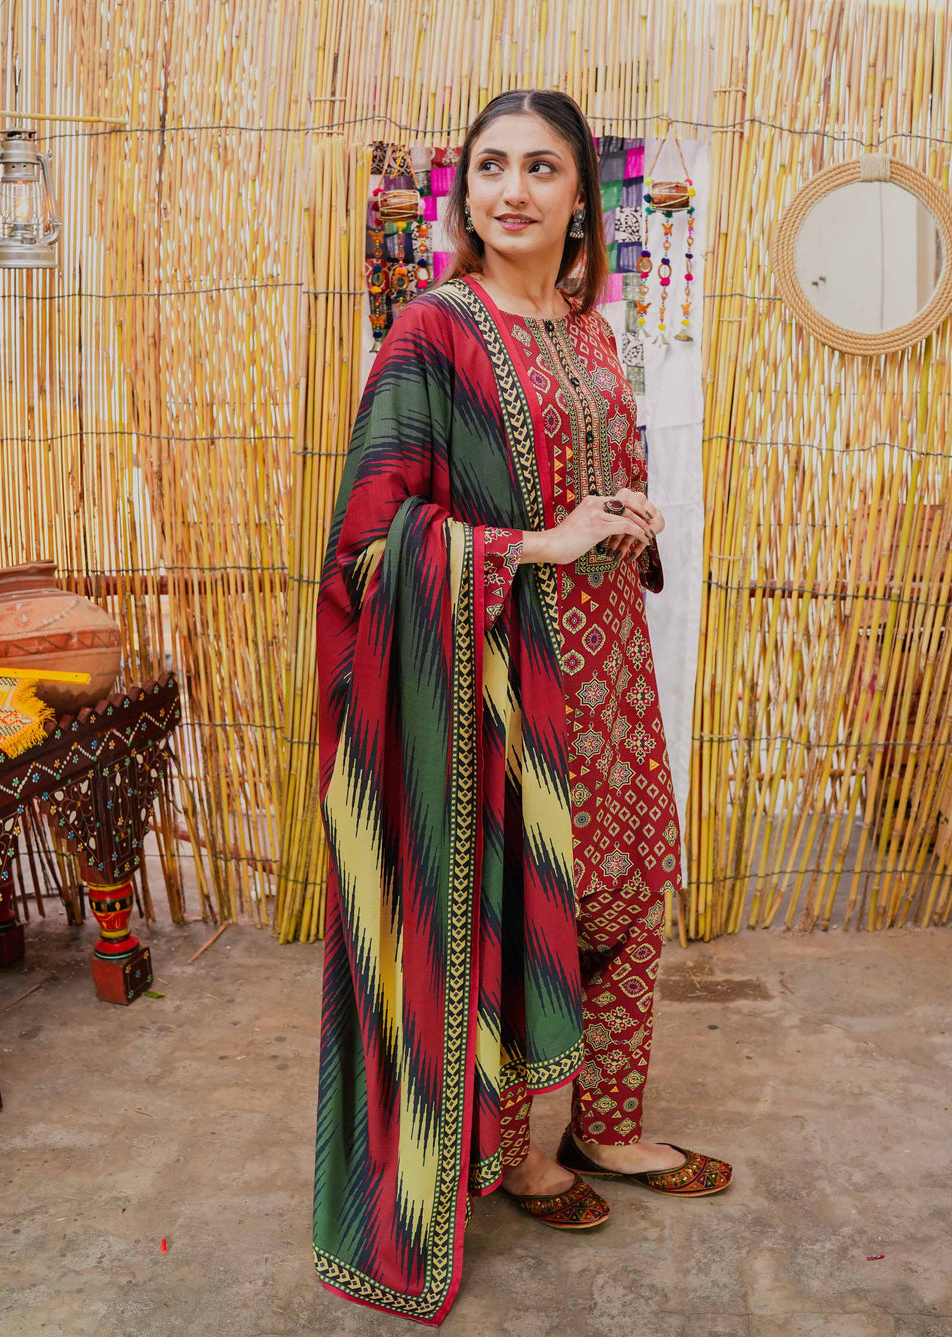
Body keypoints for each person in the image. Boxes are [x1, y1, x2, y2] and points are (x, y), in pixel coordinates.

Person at [313, 87, 733, 1326]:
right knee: (519, 900)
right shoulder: (431, 333)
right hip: (494, 683)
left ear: (578, 194)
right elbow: (370, 548)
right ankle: (516, 1150)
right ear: (464, 193)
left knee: (622, 891)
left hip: (607, 668)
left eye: (540, 167)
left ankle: (610, 1127)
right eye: (489, 166)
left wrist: (629, 520)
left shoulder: (592, 328)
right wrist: (534, 544)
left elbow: (603, 480)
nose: (511, 189)